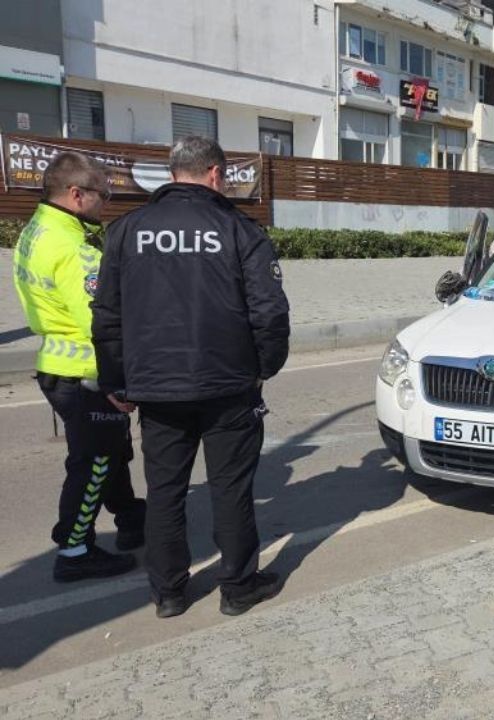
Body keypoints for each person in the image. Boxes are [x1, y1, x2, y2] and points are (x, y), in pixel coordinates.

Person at [92, 136, 291, 619]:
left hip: (156, 388)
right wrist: (265, 367)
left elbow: (107, 316)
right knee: (230, 489)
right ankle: (238, 587)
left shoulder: (126, 231)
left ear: (172, 172)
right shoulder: (240, 231)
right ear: (216, 175)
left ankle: (170, 593)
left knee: (164, 492)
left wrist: (115, 382)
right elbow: (269, 313)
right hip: (229, 386)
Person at [12, 152, 147, 582]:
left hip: (57, 361)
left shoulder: (36, 231)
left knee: (111, 452)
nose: (105, 203)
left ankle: (130, 518)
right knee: (93, 463)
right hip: (87, 370)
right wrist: (116, 380)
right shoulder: (72, 249)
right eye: (102, 195)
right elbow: (102, 320)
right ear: (76, 194)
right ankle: (74, 548)